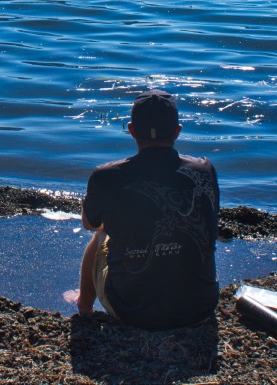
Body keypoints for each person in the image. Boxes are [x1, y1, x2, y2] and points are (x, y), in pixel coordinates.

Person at [77, 90, 219, 329]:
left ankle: (84, 307)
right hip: (200, 309)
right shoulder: (204, 170)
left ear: (131, 130)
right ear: (177, 131)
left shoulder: (106, 175)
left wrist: (99, 199)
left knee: (100, 234)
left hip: (131, 312)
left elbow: (89, 224)